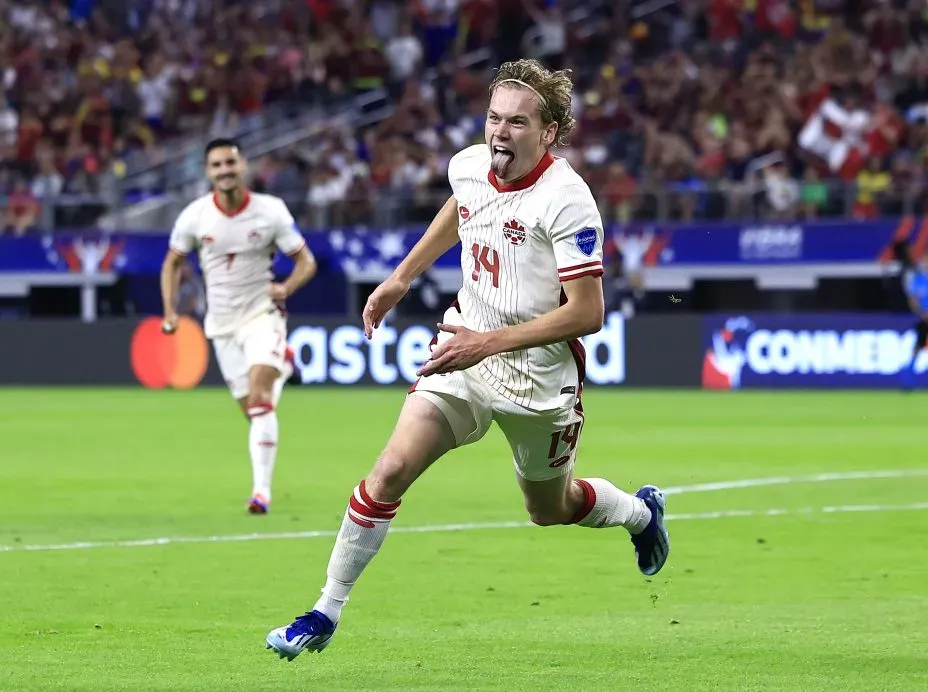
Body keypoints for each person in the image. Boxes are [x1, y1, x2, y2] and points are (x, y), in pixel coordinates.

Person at [265, 59, 669, 661]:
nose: (499, 132)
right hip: (464, 350)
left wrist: (489, 343)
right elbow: (461, 207)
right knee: (390, 471)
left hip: (537, 377)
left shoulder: (568, 200)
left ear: (550, 132)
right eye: (493, 118)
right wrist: (402, 278)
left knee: (548, 509)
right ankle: (325, 610)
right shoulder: (468, 166)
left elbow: (588, 313)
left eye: (517, 123)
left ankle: (639, 514)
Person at [159, 138, 317, 514]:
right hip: (221, 326)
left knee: (262, 400)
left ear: (243, 165)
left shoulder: (270, 211)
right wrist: (170, 311)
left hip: (263, 314)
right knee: (254, 414)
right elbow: (171, 264)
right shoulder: (195, 216)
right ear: (207, 172)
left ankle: (261, 492)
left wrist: (286, 288)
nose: (225, 171)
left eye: (230, 163)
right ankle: (287, 363)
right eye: (217, 165)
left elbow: (306, 262)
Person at [900, 252, 928, 391]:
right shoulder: (918, 279)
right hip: (924, 319)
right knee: (918, 348)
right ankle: (908, 378)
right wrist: (922, 313)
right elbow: (913, 300)